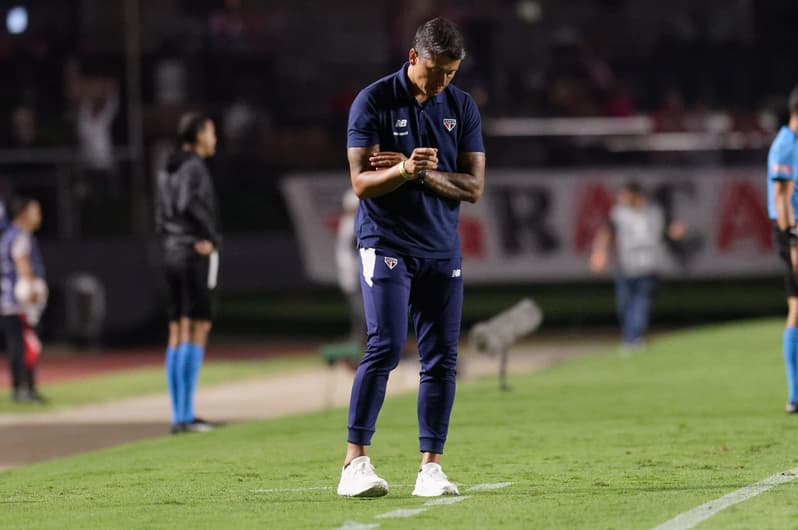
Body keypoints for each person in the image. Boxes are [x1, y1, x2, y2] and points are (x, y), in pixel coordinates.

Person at [337, 17, 486, 498]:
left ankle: (430, 469)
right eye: (436, 71)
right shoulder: (374, 101)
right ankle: (354, 463)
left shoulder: (461, 106)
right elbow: (360, 182)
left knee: (442, 358)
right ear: (413, 58)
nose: (443, 81)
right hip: (386, 240)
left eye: (452, 73)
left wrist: (416, 174)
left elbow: (474, 187)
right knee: (385, 344)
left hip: (441, 246)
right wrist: (405, 168)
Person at [155, 113, 220, 434]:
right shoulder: (194, 166)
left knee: (177, 328)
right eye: (211, 133)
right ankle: (186, 415)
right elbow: (188, 203)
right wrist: (208, 236)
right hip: (193, 253)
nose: (215, 139)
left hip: (169, 252)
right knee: (198, 326)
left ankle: (178, 414)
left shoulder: (167, 166)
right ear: (197, 136)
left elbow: (161, 213)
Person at [589, 182, 686, 351]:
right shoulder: (619, 213)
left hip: (648, 265)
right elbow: (606, 232)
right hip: (626, 264)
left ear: (636, 195)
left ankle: (634, 338)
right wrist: (599, 252)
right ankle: (630, 337)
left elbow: (664, 232)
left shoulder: (654, 212)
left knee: (641, 302)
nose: (622, 198)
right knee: (624, 304)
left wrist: (673, 233)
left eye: (626, 194)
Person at [765, 85, 798, 414]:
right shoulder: (785, 145)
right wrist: (793, 240)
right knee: (796, 307)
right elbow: (782, 197)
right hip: (792, 231)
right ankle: (794, 392)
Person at [1, 196, 47, 402]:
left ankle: (20, 387)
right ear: (23, 213)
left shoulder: (7, 236)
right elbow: (22, 262)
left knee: (16, 344)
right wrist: (31, 287)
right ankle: (26, 387)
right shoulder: (21, 236)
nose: (38, 216)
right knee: (26, 344)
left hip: (6, 299)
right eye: (35, 211)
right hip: (19, 300)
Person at [335, 190, 365, 343]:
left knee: (361, 311)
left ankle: (358, 340)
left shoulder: (348, 221)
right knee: (362, 311)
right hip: (354, 273)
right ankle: (361, 342)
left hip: (354, 272)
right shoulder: (353, 223)